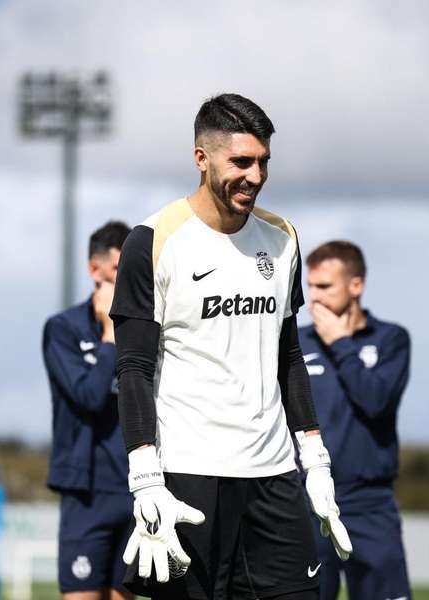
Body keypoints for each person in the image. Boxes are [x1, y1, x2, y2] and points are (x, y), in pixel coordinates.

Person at [109, 93, 352, 600]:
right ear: (202, 158)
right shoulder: (152, 241)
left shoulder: (282, 237)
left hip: (274, 473)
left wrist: (317, 460)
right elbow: (133, 367)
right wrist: (145, 477)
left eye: (263, 162)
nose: (256, 176)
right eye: (241, 161)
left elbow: (288, 356)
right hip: (188, 476)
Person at [299, 241, 412, 600]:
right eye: (310, 286)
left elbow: (376, 400)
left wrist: (340, 343)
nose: (313, 297)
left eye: (325, 286)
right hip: (306, 502)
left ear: (356, 285)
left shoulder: (391, 339)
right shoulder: (294, 342)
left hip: (369, 502)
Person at [42, 221, 135, 600]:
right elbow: (90, 396)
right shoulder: (62, 329)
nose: (126, 280)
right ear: (93, 270)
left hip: (138, 490)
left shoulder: (148, 331)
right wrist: (111, 337)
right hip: (86, 494)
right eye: (117, 271)